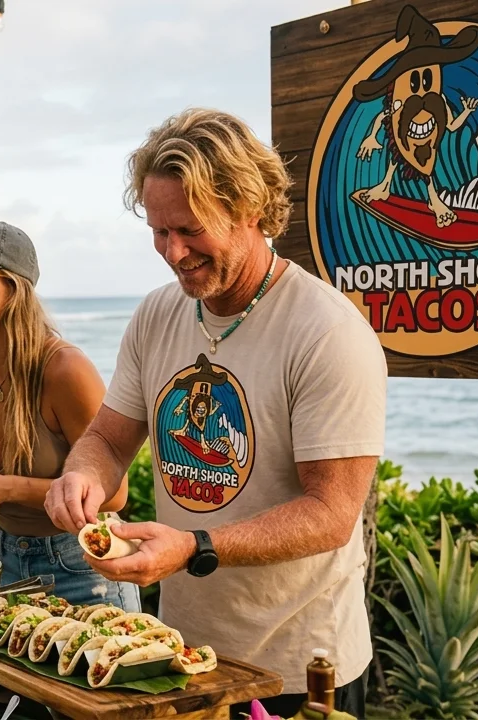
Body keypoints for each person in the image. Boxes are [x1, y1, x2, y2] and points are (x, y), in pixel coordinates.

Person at [44, 109, 385, 718]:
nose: (173, 252)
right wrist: (82, 476)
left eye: (190, 229)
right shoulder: (156, 315)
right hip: (180, 654)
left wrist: (193, 546)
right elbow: (109, 439)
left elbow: (332, 514)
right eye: (158, 231)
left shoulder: (327, 331)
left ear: (248, 209)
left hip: (297, 667)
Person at [0, 220, 137, 609]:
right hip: (7, 564)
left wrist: (5, 488)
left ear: (13, 289)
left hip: (84, 565)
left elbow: (115, 494)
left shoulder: (64, 369)